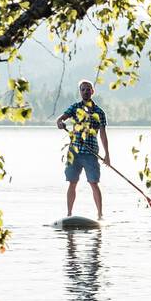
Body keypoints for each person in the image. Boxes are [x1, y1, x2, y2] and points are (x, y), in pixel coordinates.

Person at [56, 79, 110, 218]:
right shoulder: (74, 107)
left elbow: (103, 134)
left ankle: (100, 214)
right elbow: (60, 119)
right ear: (80, 92)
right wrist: (60, 123)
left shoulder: (99, 112)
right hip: (74, 152)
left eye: (88, 89)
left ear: (92, 91)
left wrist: (107, 154)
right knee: (72, 183)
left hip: (91, 153)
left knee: (94, 183)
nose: (86, 91)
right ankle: (69, 214)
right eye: (83, 89)